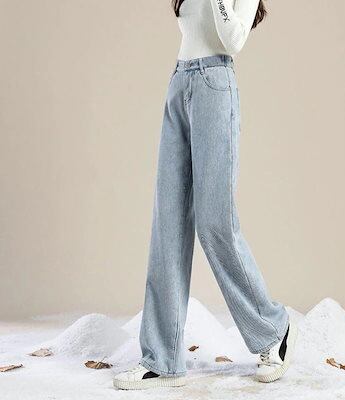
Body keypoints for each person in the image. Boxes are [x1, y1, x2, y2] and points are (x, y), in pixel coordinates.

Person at [113, 0, 297, 390]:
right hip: (179, 81)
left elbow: (232, 41)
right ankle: (161, 360)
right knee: (167, 225)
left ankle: (273, 329)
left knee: (216, 223)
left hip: (216, 84)